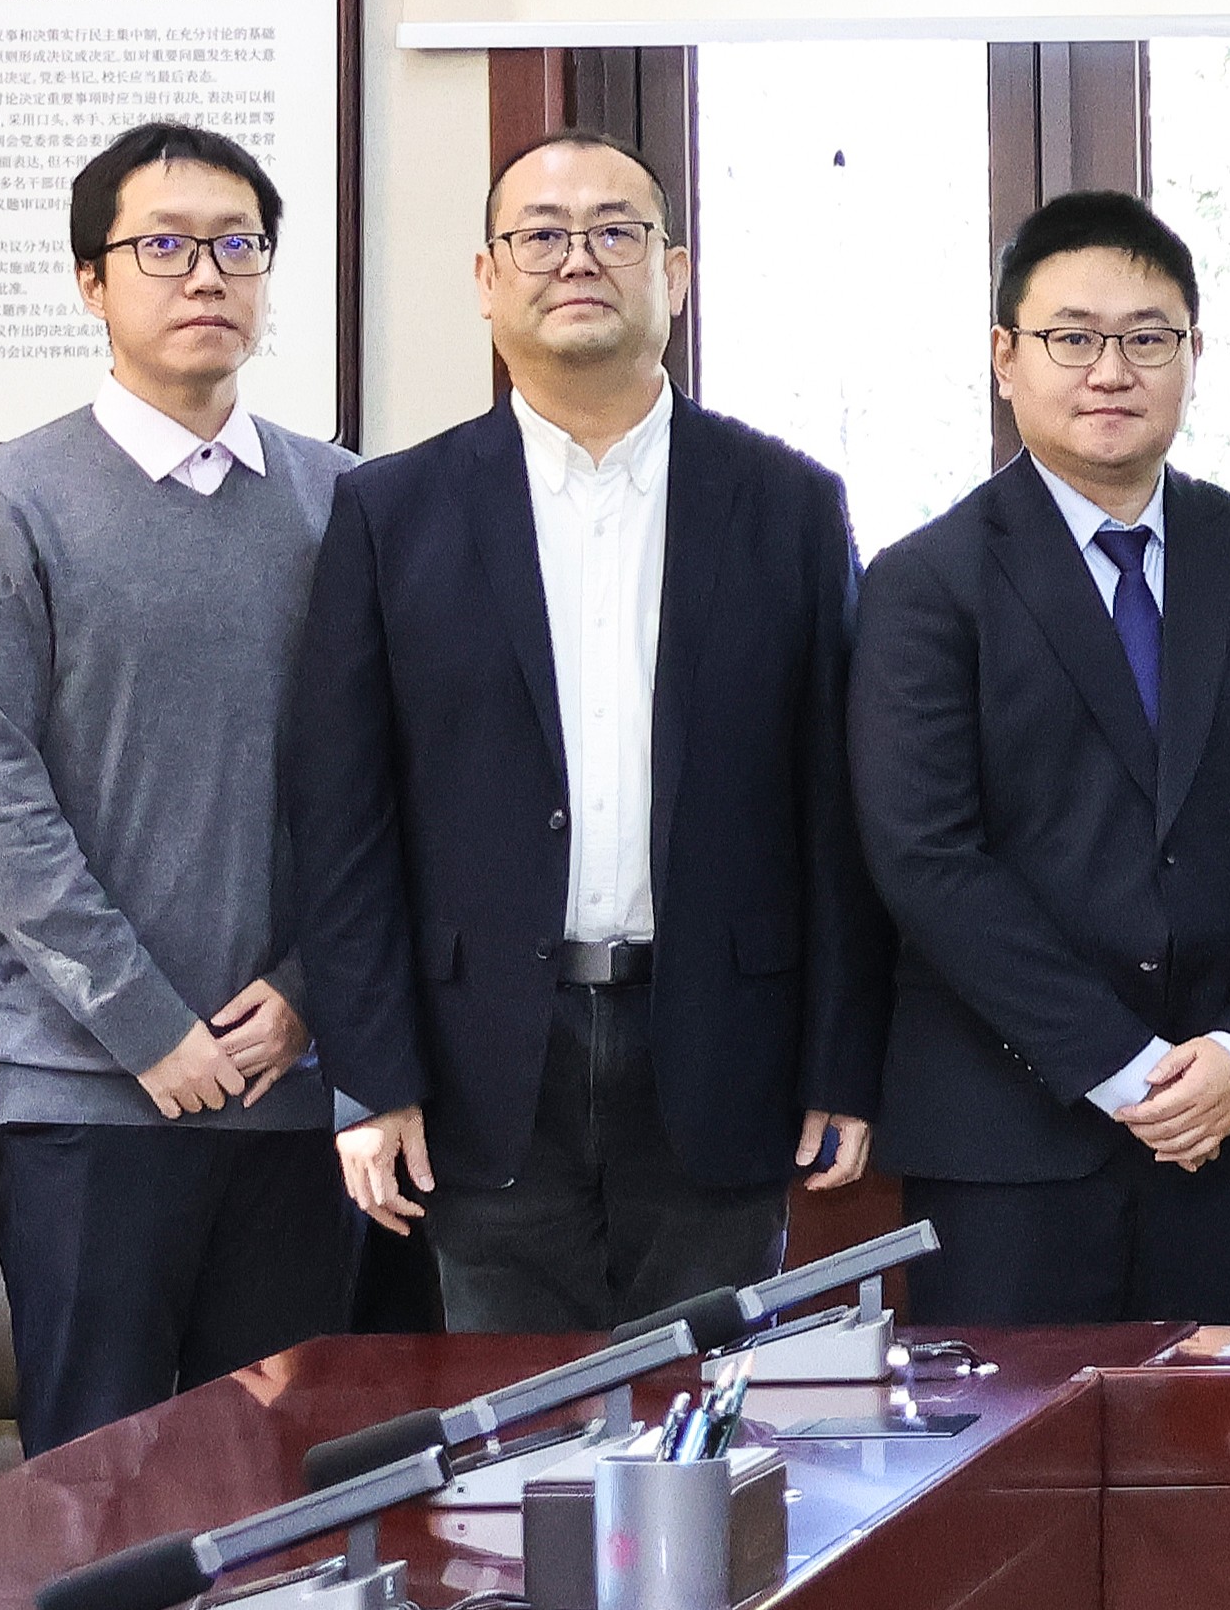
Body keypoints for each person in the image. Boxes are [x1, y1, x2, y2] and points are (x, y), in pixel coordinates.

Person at [277, 131, 886, 1332]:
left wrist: (841, 1060)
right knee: (515, 1421)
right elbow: (341, 818)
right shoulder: (392, 511)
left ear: (676, 272)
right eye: (541, 235)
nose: (578, 259)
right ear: (486, 277)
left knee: (707, 1412)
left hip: (722, 1042)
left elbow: (839, 810)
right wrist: (373, 1078)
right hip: (481, 1056)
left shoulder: (788, 506)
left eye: (616, 231)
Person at [0, 121, 361, 1451]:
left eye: (238, 244)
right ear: (90, 282)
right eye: (163, 246)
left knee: (282, 1477)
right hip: (82, 1093)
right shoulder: (12, 500)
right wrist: (146, 1024)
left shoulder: (343, 498)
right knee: (95, 1483)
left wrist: (307, 990)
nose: (207, 273)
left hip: (290, 1084)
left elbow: (385, 780)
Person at [851, 192, 1230, 1327]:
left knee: (1228, 1436)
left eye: (1147, 338)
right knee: (1015, 1444)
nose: (1111, 371)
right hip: (1008, 1137)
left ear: (1193, 354)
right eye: (1072, 338)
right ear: (1005, 358)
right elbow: (926, 857)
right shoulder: (924, 582)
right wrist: (1125, 1068)